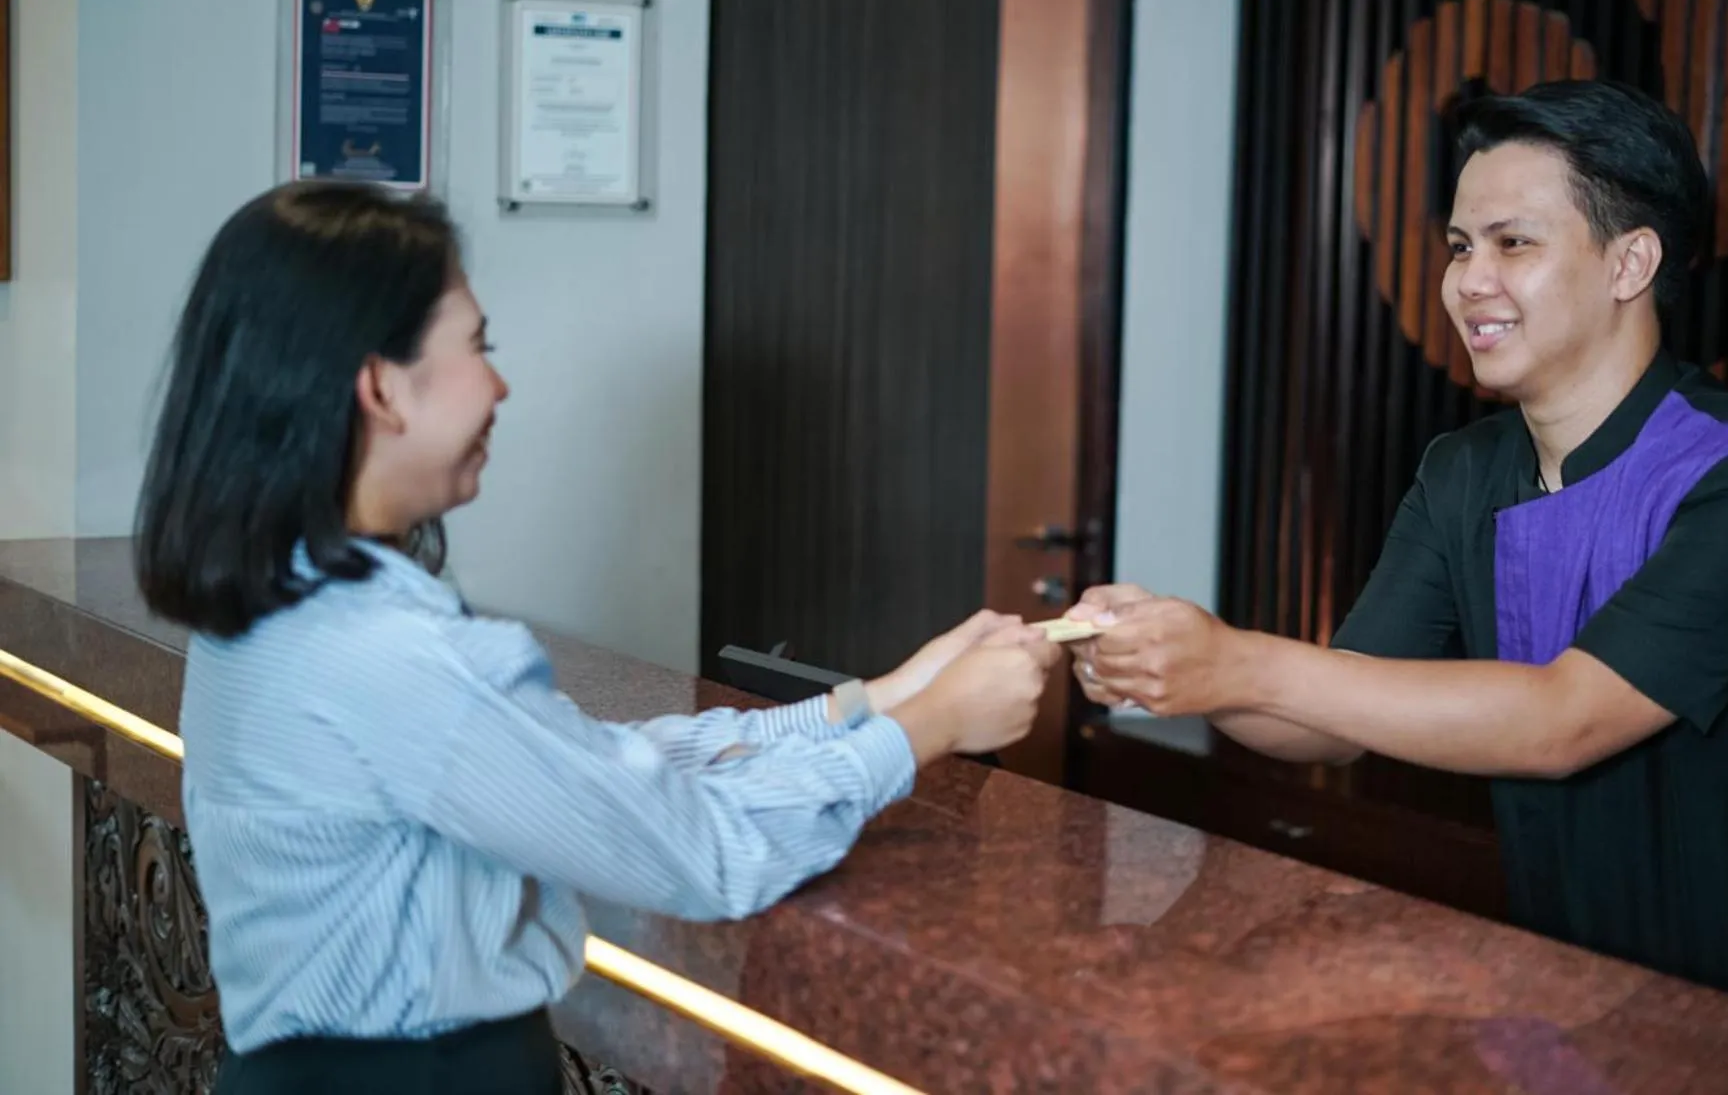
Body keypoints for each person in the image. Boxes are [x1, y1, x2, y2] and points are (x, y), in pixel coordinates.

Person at [134, 181, 1061, 1095]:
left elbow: (579, 768)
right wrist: (928, 728)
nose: (498, 382)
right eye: (477, 345)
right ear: (380, 384)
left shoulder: (289, 605)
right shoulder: (391, 656)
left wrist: (871, 701)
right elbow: (700, 854)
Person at [1066, 79, 1728, 1034]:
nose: (1468, 281)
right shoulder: (1465, 470)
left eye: (1513, 243)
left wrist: (1235, 660)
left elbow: (1561, 722)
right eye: (1461, 246)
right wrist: (1178, 663)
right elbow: (1334, 711)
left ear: (1630, 262)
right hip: (1564, 984)